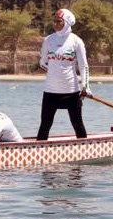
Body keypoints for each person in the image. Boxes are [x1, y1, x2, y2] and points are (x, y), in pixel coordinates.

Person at [37, 8, 90, 140]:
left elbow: (83, 66)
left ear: (66, 22)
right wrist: (55, 73)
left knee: (78, 124)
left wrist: (86, 86)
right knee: (45, 125)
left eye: (58, 21)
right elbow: (42, 63)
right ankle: (37, 153)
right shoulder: (48, 40)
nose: (55, 24)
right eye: (54, 21)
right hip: (50, 91)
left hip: (71, 91)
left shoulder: (76, 41)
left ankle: (84, 150)